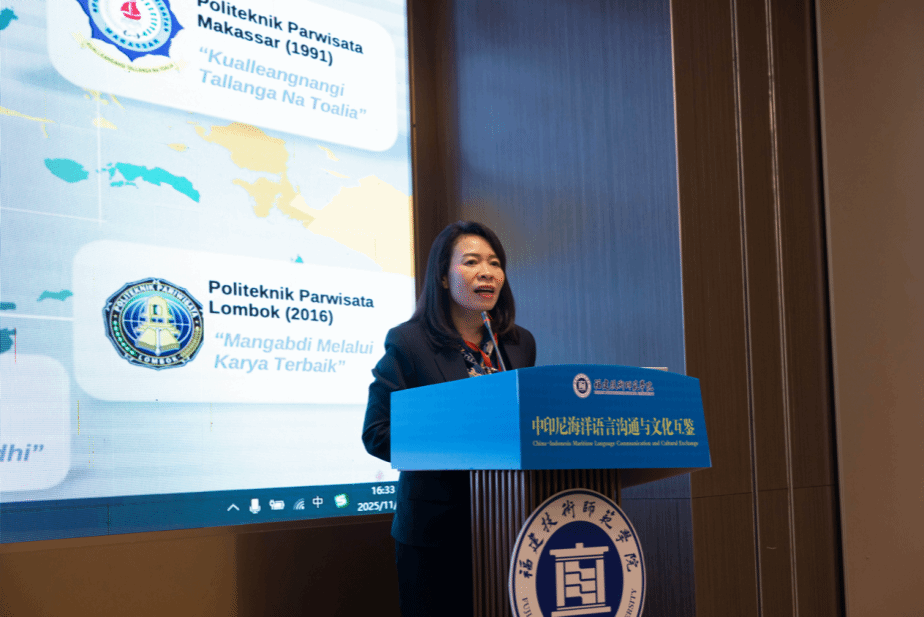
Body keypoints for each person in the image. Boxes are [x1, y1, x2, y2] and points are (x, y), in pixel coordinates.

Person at [362, 221, 537, 617]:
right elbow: (377, 433)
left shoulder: (519, 343)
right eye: (471, 262)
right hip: (435, 532)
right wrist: (458, 440)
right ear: (443, 277)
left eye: (495, 263)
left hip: (509, 524)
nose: (486, 272)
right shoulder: (410, 342)